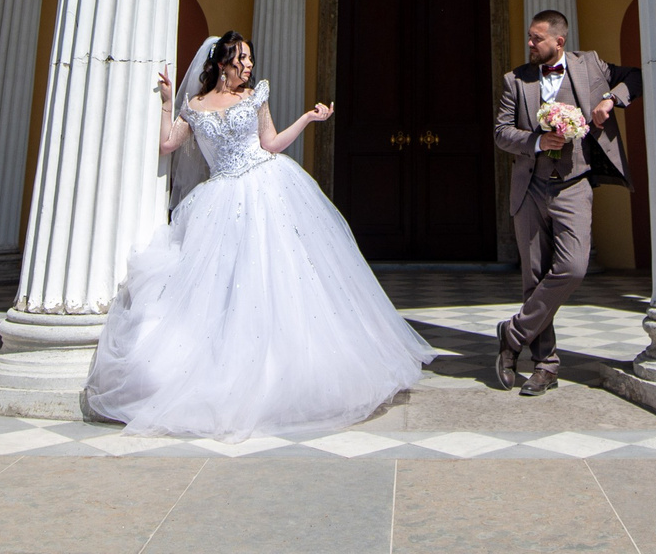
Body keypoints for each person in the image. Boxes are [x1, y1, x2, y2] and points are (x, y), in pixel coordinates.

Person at [82, 30, 436, 439]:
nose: (248, 65)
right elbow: (166, 146)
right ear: (220, 62)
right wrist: (166, 104)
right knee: (223, 290)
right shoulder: (194, 107)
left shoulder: (255, 96)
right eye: (241, 58)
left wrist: (308, 118)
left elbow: (271, 144)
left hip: (268, 187)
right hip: (218, 201)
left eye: (250, 59)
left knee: (281, 275)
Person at [490, 9, 629, 394]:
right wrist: (536, 141)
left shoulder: (591, 66)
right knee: (533, 279)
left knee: (573, 267)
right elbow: (502, 133)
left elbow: (632, 77)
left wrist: (611, 101)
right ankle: (545, 366)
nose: (530, 44)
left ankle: (512, 334)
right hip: (531, 185)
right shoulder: (515, 80)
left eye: (537, 39)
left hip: (573, 185)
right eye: (529, 38)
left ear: (559, 41)